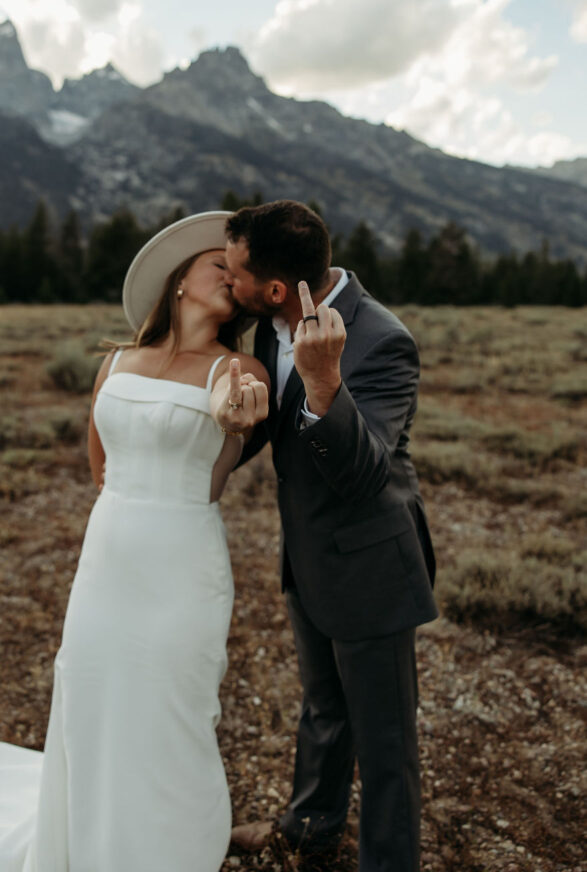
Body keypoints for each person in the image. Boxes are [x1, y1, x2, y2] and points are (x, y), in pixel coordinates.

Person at [0, 211, 269, 872]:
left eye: (238, 272)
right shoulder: (116, 360)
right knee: (96, 690)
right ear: (180, 280)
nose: (231, 277)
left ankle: (167, 847)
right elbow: (99, 466)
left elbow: (223, 454)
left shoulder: (238, 370)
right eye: (219, 264)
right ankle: (87, 833)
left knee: (173, 700)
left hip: (183, 558)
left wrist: (232, 426)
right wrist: (125, 510)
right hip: (109, 553)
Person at [223, 200, 437, 872]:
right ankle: (311, 825)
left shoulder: (382, 340)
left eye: (235, 276)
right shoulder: (270, 326)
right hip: (308, 555)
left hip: (369, 564)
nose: (230, 286)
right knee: (323, 708)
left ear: (276, 289)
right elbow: (275, 432)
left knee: (384, 742)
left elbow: (366, 472)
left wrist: (322, 381)